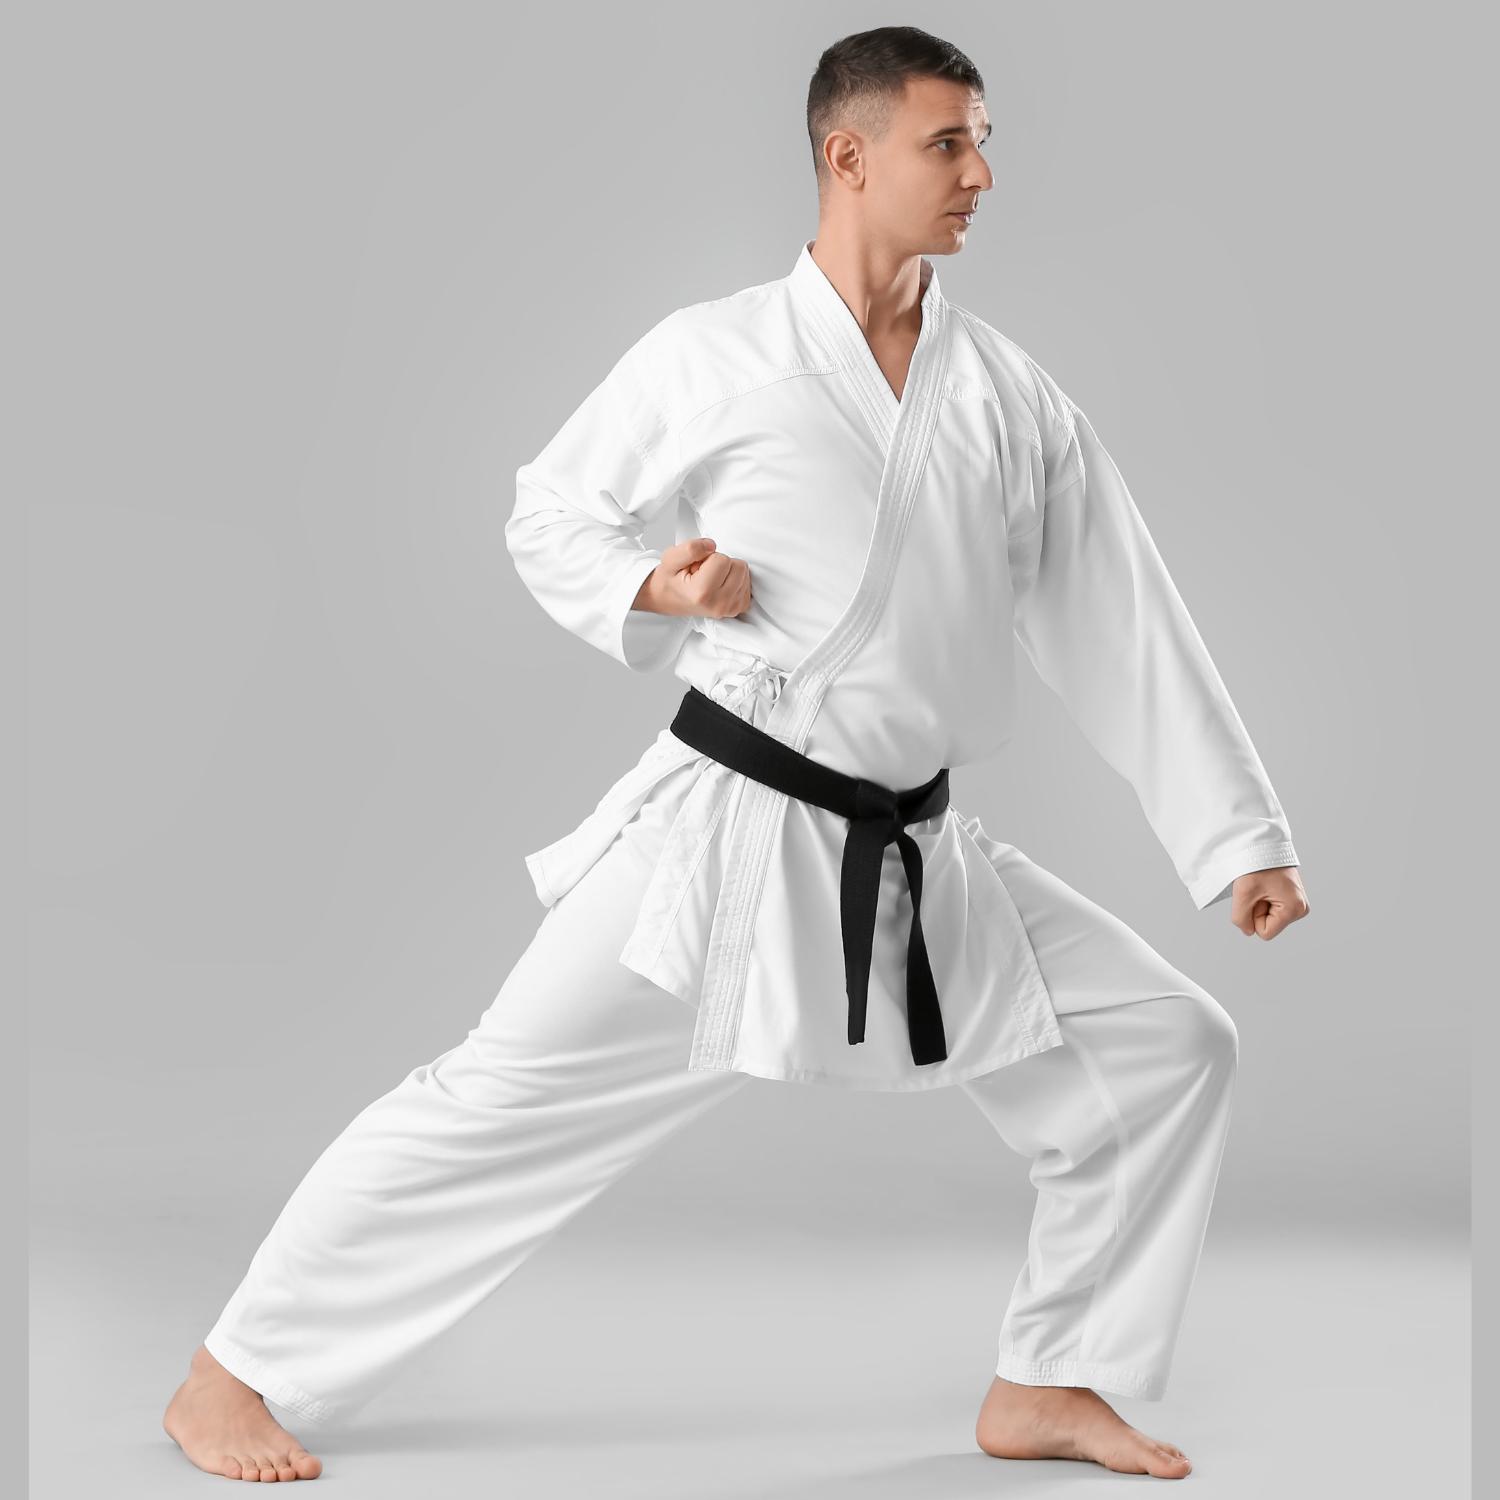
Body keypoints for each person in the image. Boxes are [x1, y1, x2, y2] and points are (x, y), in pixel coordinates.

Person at [163, 24, 1309, 1483]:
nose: (982, 174)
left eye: (984, 142)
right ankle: (232, 1374)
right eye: (949, 143)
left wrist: (1235, 838)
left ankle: (1053, 1379)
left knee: (1168, 1048)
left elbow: (1121, 616)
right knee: (500, 1098)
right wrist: (657, 585)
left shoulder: (1009, 398)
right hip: (727, 840)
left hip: (916, 855)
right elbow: (551, 512)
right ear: (849, 155)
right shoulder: (716, 356)